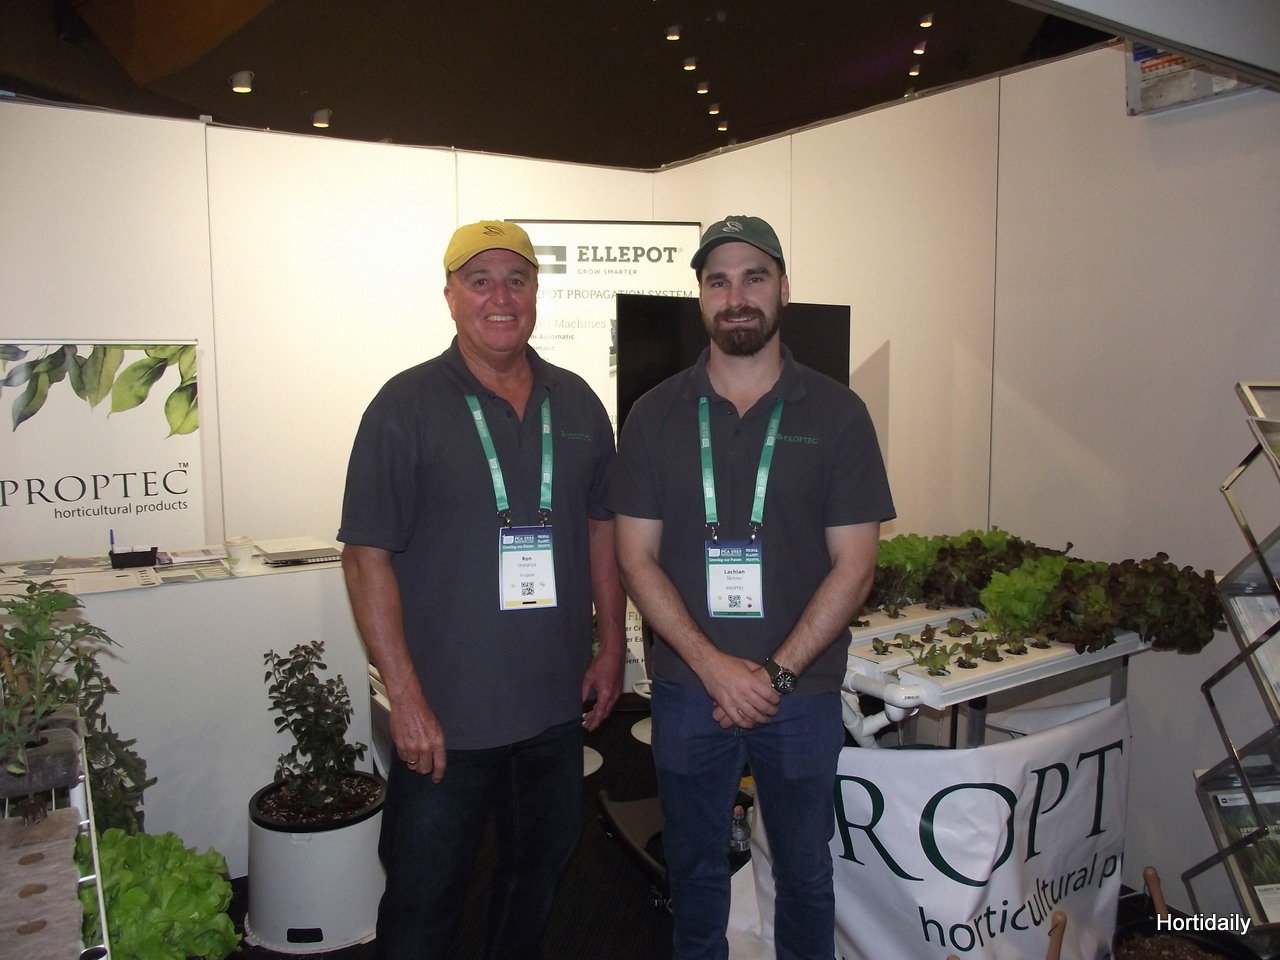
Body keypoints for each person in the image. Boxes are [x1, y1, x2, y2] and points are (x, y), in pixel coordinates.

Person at [338, 220, 626, 960]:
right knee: (423, 899)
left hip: (554, 707)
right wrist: (405, 698)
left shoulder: (578, 403)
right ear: (450, 296)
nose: (501, 297)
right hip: (445, 719)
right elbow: (365, 559)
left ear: (536, 292)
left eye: (516, 280)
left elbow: (602, 529)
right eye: (480, 281)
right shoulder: (404, 405)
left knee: (536, 878)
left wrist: (612, 646)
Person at [609, 215, 895, 960]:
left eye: (754, 277)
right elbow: (635, 557)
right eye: (718, 281)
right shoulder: (653, 414)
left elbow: (856, 565)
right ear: (701, 297)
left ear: (784, 289)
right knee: (696, 874)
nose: (736, 297)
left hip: (800, 695)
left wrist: (775, 675)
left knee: (805, 876)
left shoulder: (838, 414)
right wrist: (715, 669)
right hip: (688, 690)